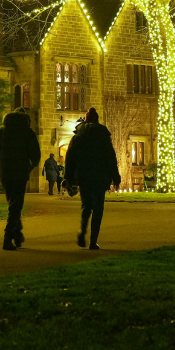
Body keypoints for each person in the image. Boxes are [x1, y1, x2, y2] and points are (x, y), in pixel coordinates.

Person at [63, 107, 120, 250]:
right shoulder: (103, 137)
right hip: (100, 176)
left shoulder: (78, 137)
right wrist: (115, 177)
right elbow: (111, 158)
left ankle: (82, 231)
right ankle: (93, 241)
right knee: (98, 208)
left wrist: (68, 177)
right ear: (97, 120)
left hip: (83, 175)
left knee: (86, 205)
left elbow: (70, 158)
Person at [0, 107, 40, 251]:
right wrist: (30, 165)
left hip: (5, 172)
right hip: (20, 172)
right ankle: (8, 237)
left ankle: (17, 233)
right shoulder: (27, 132)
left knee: (13, 203)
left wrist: (0, 161)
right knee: (16, 205)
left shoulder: (1, 131)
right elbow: (36, 155)